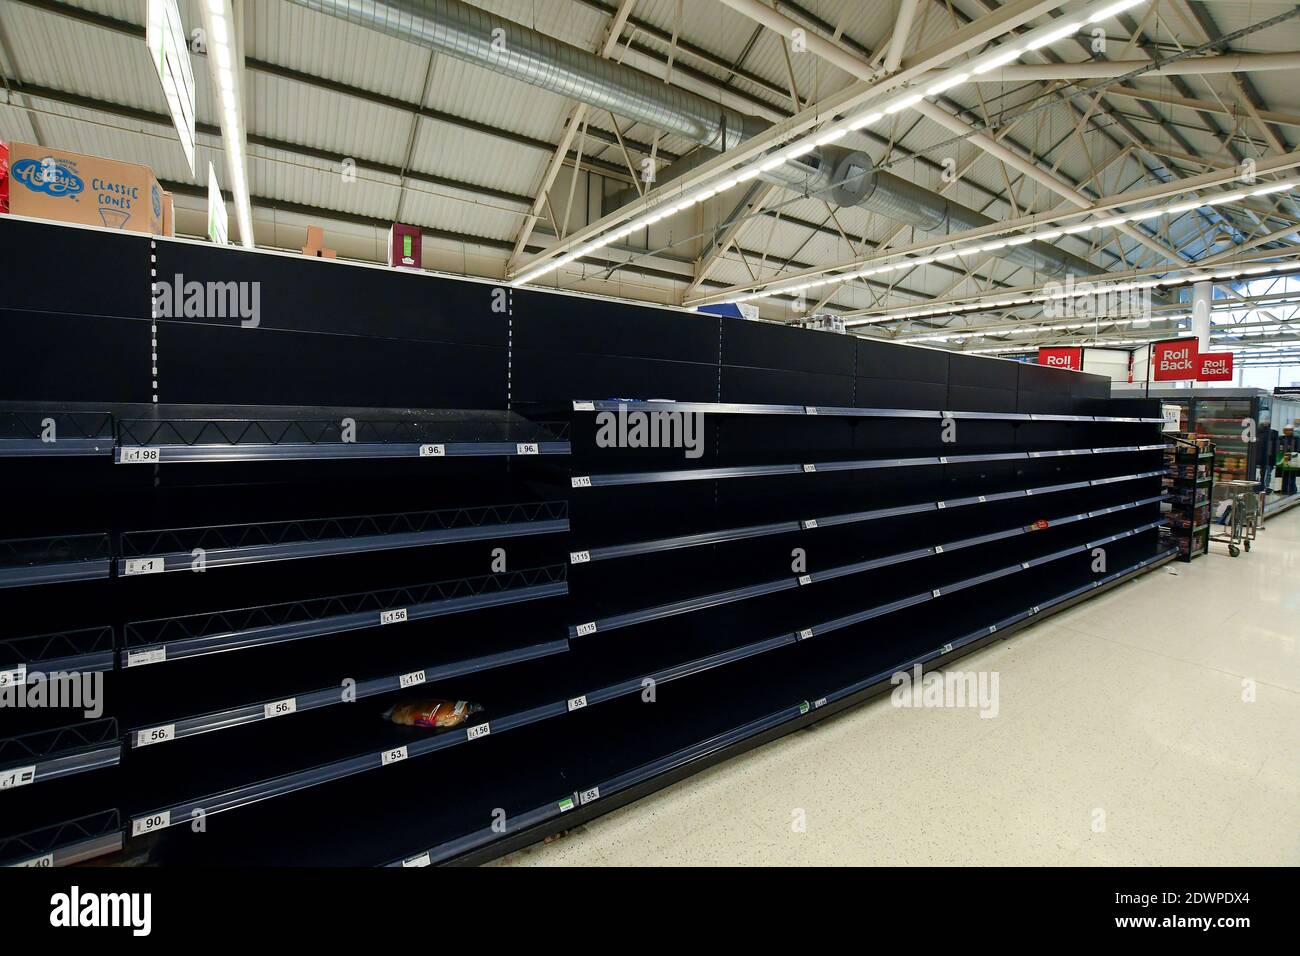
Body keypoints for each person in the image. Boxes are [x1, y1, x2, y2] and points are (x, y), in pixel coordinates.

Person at [1281, 425, 1299, 496]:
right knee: (1285, 474)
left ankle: (1292, 489)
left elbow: (1298, 448)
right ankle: (1285, 489)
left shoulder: (1296, 438)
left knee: (1292, 474)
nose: (1289, 431)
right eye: (1287, 430)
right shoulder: (1281, 438)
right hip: (1284, 457)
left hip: (1293, 457)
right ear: (1284, 431)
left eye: (1290, 430)